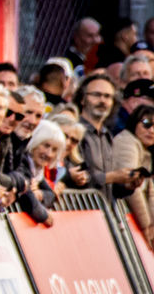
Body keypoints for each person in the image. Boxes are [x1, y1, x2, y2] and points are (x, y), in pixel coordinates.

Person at [73, 73, 141, 202]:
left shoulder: (107, 135)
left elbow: (111, 188)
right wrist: (111, 177)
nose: (103, 101)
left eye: (108, 96)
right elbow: (72, 178)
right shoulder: (75, 132)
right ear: (82, 99)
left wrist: (128, 185)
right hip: (80, 213)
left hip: (104, 215)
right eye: (96, 95)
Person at [114, 105, 154, 250]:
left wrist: (151, 225)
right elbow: (132, 186)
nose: (151, 130)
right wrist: (146, 226)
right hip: (118, 218)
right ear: (134, 123)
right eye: (146, 124)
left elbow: (150, 192)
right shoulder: (127, 142)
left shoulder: (144, 150)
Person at [18, 120, 66, 226]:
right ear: (35, 142)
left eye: (54, 150)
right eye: (46, 146)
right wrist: (44, 215)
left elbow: (51, 196)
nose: (49, 154)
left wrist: (39, 194)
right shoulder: (22, 161)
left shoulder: (39, 171)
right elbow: (26, 196)